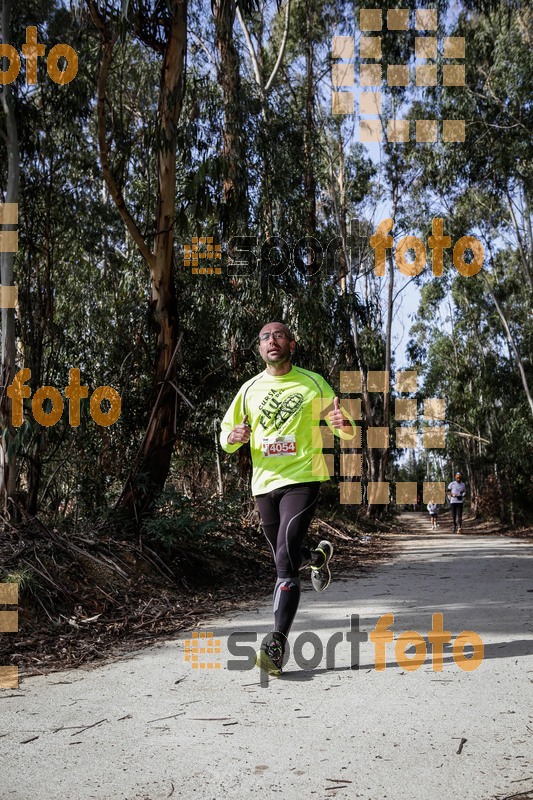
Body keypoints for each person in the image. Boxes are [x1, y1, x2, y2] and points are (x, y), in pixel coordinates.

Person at [220, 322, 355, 676]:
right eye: (264, 337)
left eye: (278, 335)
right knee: (287, 553)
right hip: (264, 483)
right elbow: (226, 434)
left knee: (283, 559)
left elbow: (346, 426)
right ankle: (317, 556)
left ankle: (276, 644)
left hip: (304, 477)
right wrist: (233, 435)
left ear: (291, 344)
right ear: (259, 349)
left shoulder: (311, 382)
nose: (271, 341)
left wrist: (342, 422)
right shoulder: (249, 389)